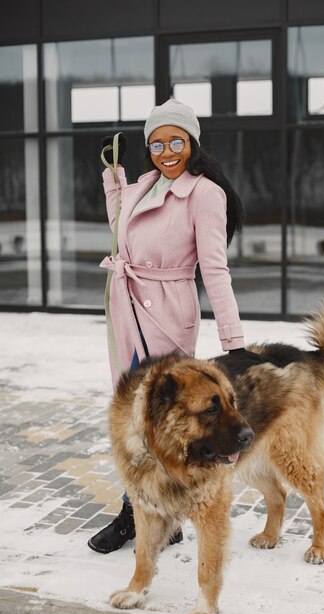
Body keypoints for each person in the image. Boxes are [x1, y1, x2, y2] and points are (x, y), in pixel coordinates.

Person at [88, 99, 246, 553]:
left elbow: (215, 271)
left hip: (166, 312)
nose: (166, 151)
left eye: (176, 140)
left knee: (156, 417)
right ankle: (151, 513)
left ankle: (138, 513)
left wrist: (234, 342)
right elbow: (121, 227)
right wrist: (113, 176)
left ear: (192, 142)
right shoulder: (144, 185)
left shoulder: (204, 194)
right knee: (130, 415)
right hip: (126, 307)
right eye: (156, 143)